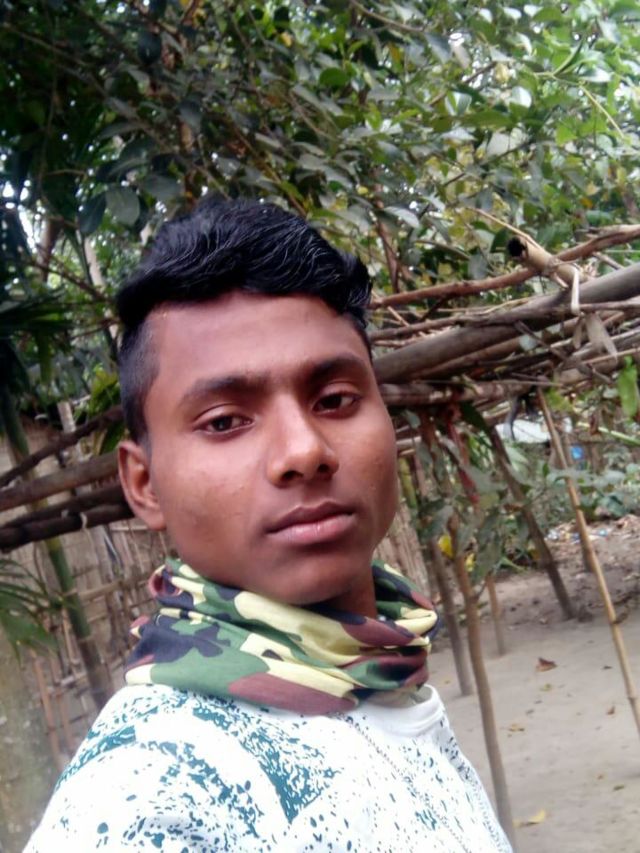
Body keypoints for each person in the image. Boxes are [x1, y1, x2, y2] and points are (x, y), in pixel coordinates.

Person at [26, 199, 511, 852]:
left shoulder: (384, 674)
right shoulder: (149, 794)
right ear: (144, 484)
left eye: (335, 399)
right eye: (225, 421)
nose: (304, 450)